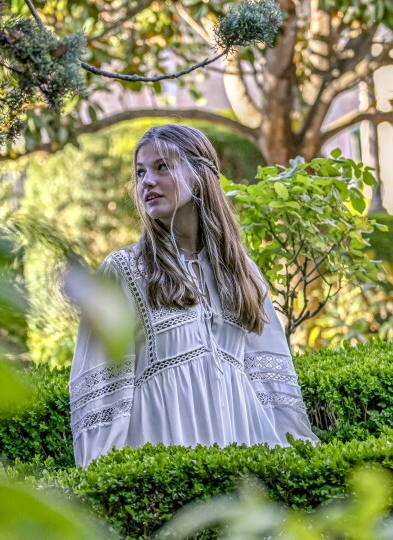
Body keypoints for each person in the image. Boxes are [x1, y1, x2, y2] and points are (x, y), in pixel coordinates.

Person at [69, 124, 317, 467]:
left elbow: (274, 384)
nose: (147, 182)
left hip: (241, 456)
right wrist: (102, 478)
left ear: (199, 175)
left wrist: (301, 462)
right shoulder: (123, 271)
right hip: (164, 466)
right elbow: (101, 395)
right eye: (140, 172)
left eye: (162, 167)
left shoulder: (242, 272)